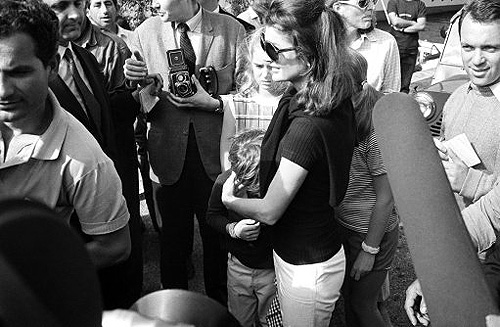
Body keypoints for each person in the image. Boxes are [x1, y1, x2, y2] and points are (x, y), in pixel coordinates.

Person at [221, 1, 358, 325]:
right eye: (265, 44)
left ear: (309, 56)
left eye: (275, 48)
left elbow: (269, 209)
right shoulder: (326, 96)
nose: (267, 55)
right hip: (304, 252)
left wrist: (229, 199)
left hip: (307, 266)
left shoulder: (307, 126)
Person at [124, 0, 245, 305]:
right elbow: (136, 100)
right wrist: (141, 86)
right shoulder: (144, 32)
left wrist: (215, 102)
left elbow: (248, 93)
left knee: (218, 241)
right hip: (166, 159)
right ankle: (174, 310)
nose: (152, 3)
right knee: (172, 246)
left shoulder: (232, 30)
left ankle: (220, 308)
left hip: (216, 159)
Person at [0, 0, 130, 274]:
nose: (3, 91)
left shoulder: (84, 160)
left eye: (19, 72)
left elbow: (115, 246)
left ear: (52, 67)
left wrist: (31, 271)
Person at [405, 0, 500, 324]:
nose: (477, 60)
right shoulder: (458, 97)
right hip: (461, 242)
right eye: (468, 46)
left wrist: (469, 180)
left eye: (490, 48)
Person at [43, 0, 142, 309]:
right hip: (66, 231)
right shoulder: (26, 79)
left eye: (77, 3)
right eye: (60, 6)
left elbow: (102, 120)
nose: (74, 14)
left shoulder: (83, 56)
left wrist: (138, 88)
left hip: (106, 216)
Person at [335, 52, 399, 327]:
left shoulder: (374, 132)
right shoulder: (344, 116)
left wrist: (369, 250)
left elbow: (386, 199)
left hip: (372, 234)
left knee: (363, 305)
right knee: (350, 298)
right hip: (346, 226)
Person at [207, 129, 275, 327]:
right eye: (238, 174)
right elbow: (212, 216)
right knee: (239, 320)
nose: (239, 182)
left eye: (252, 182)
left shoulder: (275, 187)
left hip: (271, 269)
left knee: (270, 320)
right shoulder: (224, 182)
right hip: (238, 266)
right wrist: (233, 229)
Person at [220, 26, 289, 170]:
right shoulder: (236, 104)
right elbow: (226, 160)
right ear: (250, 63)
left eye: (271, 66)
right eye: (259, 66)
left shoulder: (290, 103)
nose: (265, 74)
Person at [329, 0, 401, 93]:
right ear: (338, 8)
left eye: (374, 1)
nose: (371, 7)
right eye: (362, 2)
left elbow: (391, 93)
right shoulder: (319, 43)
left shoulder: (386, 42)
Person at [387, 0, 426, 93]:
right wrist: (413, 23)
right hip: (395, 48)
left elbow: (421, 25)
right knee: (390, 82)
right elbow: (395, 21)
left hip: (411, 49)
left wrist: (403, 29)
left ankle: (402, 104)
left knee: (405, 85)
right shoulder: (393, 2)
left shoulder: (420, 4)